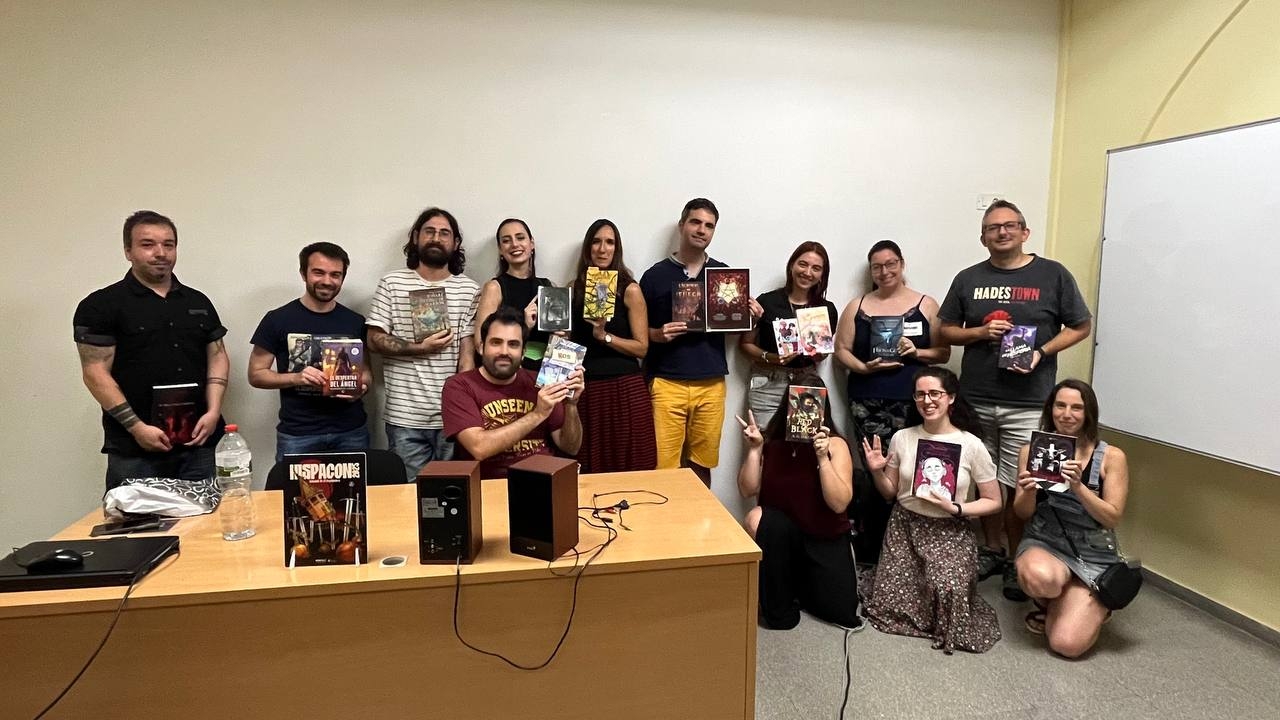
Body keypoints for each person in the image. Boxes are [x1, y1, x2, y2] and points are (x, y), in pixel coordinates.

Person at [937, 199, 1092, 601]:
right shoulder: (968, 278)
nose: (1002, 232)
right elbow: (946, 330)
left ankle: (1016, 556)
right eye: (993, 228)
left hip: (1029, 401)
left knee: (1022, 482)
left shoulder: (1053, 274)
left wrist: (1042, 352)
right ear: (983, 238)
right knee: (984, 479)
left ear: (1025, 232)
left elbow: (1081, 326)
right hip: (975, 398)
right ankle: (992, 549)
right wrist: (979, 334)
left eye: (1009, 225)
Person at [73, 211, 228, 490]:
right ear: (128, 251)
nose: (160, 253)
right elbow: (95, 373)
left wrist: (214, 411)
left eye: (169, 244)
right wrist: (136, 427)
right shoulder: (100, 305)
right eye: (148, 245)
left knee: (207, 517)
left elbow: (217, 355)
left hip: (199, 443)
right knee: (135, 520)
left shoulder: (198, 302)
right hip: (135, 450)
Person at [860, 367, 1003, 654]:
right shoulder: (902, 437)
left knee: (947, 591)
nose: (927, 400)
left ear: (951, 397)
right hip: (906, 526)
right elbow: (889, 492)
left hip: (950, 529)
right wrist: (876, 471)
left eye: (935, 393)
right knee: (892, 601)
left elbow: (994, 501)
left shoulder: (971, 444)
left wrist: (958, 508)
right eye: (920, 395)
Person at [834, 240, 950, 564]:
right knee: (875, 469)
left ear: (902, 264)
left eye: (890, 264)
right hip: (866, 401)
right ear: (871, 271)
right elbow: (841, 350)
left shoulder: (926, 305)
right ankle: (872, 547)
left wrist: (917, 351)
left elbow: (944, 352)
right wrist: (863, 367)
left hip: (914, 403)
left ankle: (910, 545)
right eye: (877, 266)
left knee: (912, 468)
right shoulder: (857, 306)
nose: (884, 271)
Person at [639, 198, 762, 487]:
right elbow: (637, 331)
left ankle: (699, 516)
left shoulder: (724, 276)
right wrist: (658, 334)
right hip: (666, 382)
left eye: (709, 225)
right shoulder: (654, 276)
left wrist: (752, 319)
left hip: (711, 383)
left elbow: (733, 330)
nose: (701, 230)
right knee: (662, 467)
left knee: (702, 464)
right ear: (682, 225)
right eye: (695, 222)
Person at [1014, 379, 1129, 658]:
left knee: (1066, 645)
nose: (1067, 414)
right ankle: (1053, 601)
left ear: (1089, 413)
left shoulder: (1111, 457)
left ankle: (1083, 604)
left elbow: (1112, 518)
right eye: (1060, 406)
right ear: (1050, 409)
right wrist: (1027, 491)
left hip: (1092, 549)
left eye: (1076, 408)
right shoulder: (1032, 450)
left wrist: (1078, 487)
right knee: (1040, 577)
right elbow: (1022, 513)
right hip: (1045, 539)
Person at [367, 207, 480, 480]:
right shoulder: (392, 283)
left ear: (455, 243)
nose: (436, 238)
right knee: (410, 497)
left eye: (444, 233)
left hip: (451, 417)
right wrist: (420, 348)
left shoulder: (469, 289)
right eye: (430, 231)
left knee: (455, 494)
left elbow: (466, 357)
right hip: (405, 417)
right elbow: (373, 339)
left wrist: (463, 409)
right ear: (416, 237)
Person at [737, 382, 859, 630]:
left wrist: (822, 457)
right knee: (756, 517)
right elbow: (747, 489)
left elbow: (839, 504)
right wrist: (755, 449)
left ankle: (801, 585)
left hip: (824, 536)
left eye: (812, 405)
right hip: (783, 540)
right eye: (799, 404)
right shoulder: (772, 442)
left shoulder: (835, 444)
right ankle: (783, 590)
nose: (805, 411)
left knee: (841, 611)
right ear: (789, 405)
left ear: (822, 408)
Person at [248, 243, 372, 462]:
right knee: (293, 487)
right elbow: (256, 374)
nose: (327, 281)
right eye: (318, 272)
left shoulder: (355, 321)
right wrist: (296, 378)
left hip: (351, 431)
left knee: (356, 486)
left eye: (335, 274)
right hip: (298, 434)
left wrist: (360, 389)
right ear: (303, 273)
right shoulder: (277, 319)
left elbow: (367, 374)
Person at [442, 307, 584, 479]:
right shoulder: (459, 386)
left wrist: (571, 404)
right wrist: (538, 414)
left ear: (523, 353)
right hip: (490, 485)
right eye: (496, 342)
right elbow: (479, 448)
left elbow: (570, 447)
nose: (504, 352)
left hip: (544, 480)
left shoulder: (541, 382)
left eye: (513, 344)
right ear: (481, 347)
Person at [567, 219, 657, 473]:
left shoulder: (629, 290)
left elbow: (642, 348)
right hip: (587, 390)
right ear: (588, 248)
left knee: (631, 464)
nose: (602, 248)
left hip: (624, 388)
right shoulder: (573, 290)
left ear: (617, 248)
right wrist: (559, 337)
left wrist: (603, 335)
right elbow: (567, 345)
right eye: (596, 242)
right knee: (589, 466)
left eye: (610, 242)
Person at [738, 242, 837, 420]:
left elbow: (821, 357)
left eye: (816, 268)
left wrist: (818, 353)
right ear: (792, 265)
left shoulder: (826, 309)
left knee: (804, 436)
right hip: (768, 382)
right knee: (762, 436)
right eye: (803, 264)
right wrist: (771, 357)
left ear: (822, 274)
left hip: (807, 381)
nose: (808, 272)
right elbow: (745, 344)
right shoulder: (767, 302)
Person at [472, 218, 552, 371]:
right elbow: (480, 343)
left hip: (545, 373)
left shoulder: (547, 285)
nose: (514, 244)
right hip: (510, 373)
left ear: (531, 243)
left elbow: (559, 339)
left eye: (520, 238)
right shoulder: (494, 288)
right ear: (500, 249)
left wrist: (562, 335)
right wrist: (524, 326)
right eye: (506, 241)